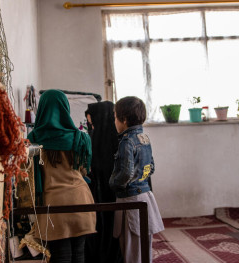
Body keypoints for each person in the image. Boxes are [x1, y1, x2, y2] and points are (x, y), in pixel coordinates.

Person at [27, 89, 96, 263]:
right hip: (80, 200)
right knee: (79, 254)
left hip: (53, 203)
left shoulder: (33, 138)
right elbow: (83, 169)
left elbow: (32, 173)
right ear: (65, 108)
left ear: (41, 109)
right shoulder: (80, 137)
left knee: (60, 257)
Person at [110, 96, 164, 263]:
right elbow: (151, 167)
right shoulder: (144, 138)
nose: (114, 121)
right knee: (143, 248)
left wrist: (113, 182)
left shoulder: (126, 142)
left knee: (131, 251)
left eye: (114, 117)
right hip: (145, 196)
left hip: (130, 199)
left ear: (124, 119)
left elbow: (126, 173)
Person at [84, 101, 123, 263]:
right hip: (115, 193)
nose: (88, 120)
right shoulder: (119, 138)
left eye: (90, 117)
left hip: (97, 194)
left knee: (101, 226)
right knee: (113, 227)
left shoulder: (92, 138)